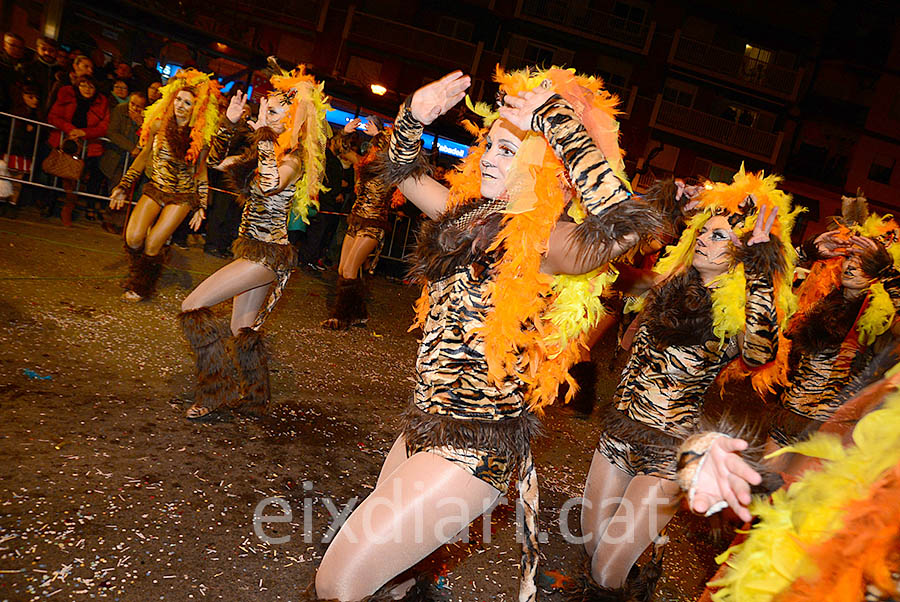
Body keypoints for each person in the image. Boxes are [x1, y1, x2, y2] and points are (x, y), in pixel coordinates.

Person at [315, 67, 662, 601]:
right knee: (395, 578)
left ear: (548, 170)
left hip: (477, 450)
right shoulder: (470, 217)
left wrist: (556, 120)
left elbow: (627, 224)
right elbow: (400, 171)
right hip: (422, 427)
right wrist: (414, 115)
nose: (491, 158)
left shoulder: (553, 241)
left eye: (510, 149)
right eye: (491, 147)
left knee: (339, 583)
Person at [574, 168, 799, 600]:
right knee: (592, 551)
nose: (704, 240)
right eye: (704, 232)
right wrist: (663, 208)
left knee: (606, 571)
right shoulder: (668, 284)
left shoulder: (735, 311)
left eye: (719, 237)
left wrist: (757, 270)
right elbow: (604, 274)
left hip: (668, 452)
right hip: (617, 434)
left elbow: (759, 353)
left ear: (740, 253)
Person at [178, 65, 329, 420]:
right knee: (240, 329)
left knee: (192, 306)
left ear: (292, 117)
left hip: (268, 256)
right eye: (262, 109)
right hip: (253, 249)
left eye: (272, 111)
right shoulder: (269, 149)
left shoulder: (291, 157)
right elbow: (214, 162)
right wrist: (230, 125)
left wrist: (262, 136)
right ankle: (256, 397)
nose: (262, 116)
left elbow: (271, 182)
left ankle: (214, 392)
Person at [108, 69, 222, 301]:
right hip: (156, 187)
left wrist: (201, 206)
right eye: (178, 99)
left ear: (196, 108)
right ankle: (139, 268)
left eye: (187, 103)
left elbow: (200, 174)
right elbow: (142, 158)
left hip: (181, 196)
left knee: (153, 243)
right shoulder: (158, 125)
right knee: (133, 237)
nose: (180, 105)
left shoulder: (199, 138)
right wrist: (123, 185)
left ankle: (142, 284)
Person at [320, 116, 390, 329]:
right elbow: (339, 149)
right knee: (344, 270)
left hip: (374, 223)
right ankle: (359, 314)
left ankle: (341, 317)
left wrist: (378, 134)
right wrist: (347, 132)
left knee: (350, 270)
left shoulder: (390, 166)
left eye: (371, 126)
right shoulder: (362, 162)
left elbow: (393, 147)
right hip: (356, 219)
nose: (366, 128)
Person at [46, 75, 110, 225]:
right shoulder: (66, 96)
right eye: (83, 85)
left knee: (75, 177)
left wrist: (85, 133)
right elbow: (53, 117)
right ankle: (50, 204)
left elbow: (104, 127)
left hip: (88, 147)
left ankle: (68, 208)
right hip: (63, 142)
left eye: (91, 86)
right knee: (57, 174)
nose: (87, 90)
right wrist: (70, 129)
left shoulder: (101, 102)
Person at [99, 91, 145, 233]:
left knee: (128, 189)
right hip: (116, 157)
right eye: (133, 104)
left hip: (133, 162)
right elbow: (112, 132)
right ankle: (110, 220)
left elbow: (145, 139)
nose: (135, 108)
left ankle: (120, 223)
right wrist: (131, 148)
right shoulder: (120, 110)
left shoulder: (145, 118)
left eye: (139, 106)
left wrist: (140, 125)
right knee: (115, 187)